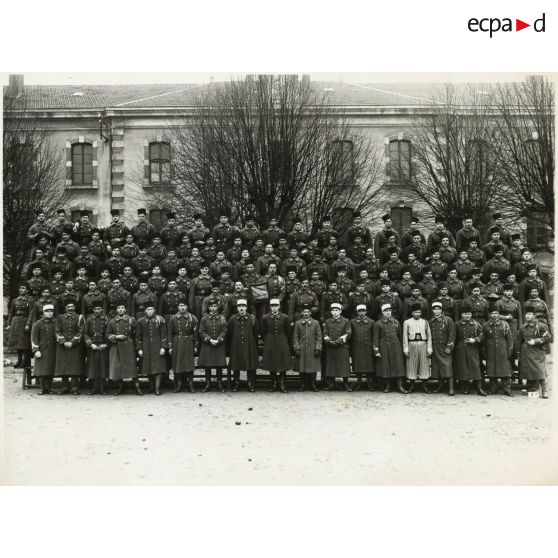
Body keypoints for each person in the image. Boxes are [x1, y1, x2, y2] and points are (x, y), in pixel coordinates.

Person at [107, 304, 143, 396]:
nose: (120, 310)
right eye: (118, 308)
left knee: (132, 367)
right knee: (117, 368)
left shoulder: (132, 320)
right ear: (116, 310)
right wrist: (116, 336)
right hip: (116, 346)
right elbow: (107, 334)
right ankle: (120, 387)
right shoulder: (112, 321)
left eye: (122, 308)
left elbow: (137, 334)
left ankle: (137, 387)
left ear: (125, 309)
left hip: (129, 345)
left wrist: (137, 347)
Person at [453, 304, 487, 395]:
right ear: (461, 315)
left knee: (475, 367)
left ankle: (479, 388)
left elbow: (482, 335)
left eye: (468, 314)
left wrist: (475, 340)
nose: (467, 316)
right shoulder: (457, 324)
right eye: (465, 314)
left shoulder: (477, 324)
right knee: (463, 368)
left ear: (471, 315)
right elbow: (453, 337)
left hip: (473, 348)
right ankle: (466, 387)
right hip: (461, 349)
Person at [519, 304, 551, 398]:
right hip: (526, 351)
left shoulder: (541, 326)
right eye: (526, 314)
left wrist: (535, 341)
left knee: (539, 370)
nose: (527, 316)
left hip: (537, 351)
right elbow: (520, 339)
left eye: (530, 314)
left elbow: (548, 337)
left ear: (534, 315)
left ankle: (544, 390)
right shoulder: (523, 327)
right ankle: (532, 387)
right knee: (528, 369)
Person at [373, 303, 406, 393]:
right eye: (386, 311)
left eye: (389, 311)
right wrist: (376, 350)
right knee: (386, 367)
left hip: (395, 347)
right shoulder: (378, 324)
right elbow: (375, 339)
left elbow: (400, 336)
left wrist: (402, 348)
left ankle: (400, 386)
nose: (388, 313)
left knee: (398, 366)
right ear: (382, 312)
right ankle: (388, 386)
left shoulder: (396, 322)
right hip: (384, 347)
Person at [227, 299, 259, 392]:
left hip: (249, 345)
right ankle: (236, 383)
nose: (241, 308)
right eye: (239, 306)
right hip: (236, 345)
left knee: (251, 364)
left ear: (246, 307)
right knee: (236, 364)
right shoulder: (232, 319)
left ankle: (250, 383)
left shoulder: (252, 318)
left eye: (243, 306)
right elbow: (230, 333)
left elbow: (256, 332)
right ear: (237, 308)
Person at [261, 298, 292, 393]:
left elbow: (288, 332)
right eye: (272, 306)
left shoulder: (285, 317)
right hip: (269, 342)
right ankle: (274, 383)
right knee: (271, 362)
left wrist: (284, 340)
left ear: (279, 306)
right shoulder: (265, 317)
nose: (274, 308)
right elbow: (263, 332)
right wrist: (267, 339)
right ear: (270, 307)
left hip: (282, 341)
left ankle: (282, 384)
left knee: (283, 362)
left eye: (276, 306)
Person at [136, 305, 168, 396]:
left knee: (158, 368)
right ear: (145, 311)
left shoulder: (160, 320)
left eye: (151, 309)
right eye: (148, 309)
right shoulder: (141, 321)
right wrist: (139, 349)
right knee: (148, 367)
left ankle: (157, 388)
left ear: (154, 310)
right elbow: (138, 336)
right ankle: (151, 386)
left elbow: (164, 334)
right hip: (145, 347)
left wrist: (163, 347)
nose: (150, 311)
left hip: (157, 346)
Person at [54, 301, 85, 395]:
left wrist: (72, 342)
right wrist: (64, 342)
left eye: (72, 306)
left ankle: (74, 387)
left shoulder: (80, 318)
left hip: (75, 346)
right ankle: (65, 387)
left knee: (74, 366)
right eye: (68, 306)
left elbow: (81, 331)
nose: (70, 308)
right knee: (63, 366)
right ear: (65, 308)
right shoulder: (60, 317)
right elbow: (57, 331)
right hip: (62, 346)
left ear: (75, 307)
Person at [168, 302, 199, 393]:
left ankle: (190, 384)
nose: (182, 308)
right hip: (177, 342)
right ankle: (178, 384)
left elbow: (195, 333)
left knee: (189, 364)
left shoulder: (192, 318)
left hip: (188, 342)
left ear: (187, 307)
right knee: (178, 364)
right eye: (180, 306)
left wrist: (196, 345)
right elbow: (170, 333)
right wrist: (170, 346)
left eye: (184, 306)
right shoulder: (173, 318)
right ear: (178, 307)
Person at [402, 302, 433, 393]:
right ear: (412, 313)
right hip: (412, 344)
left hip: (423, 344)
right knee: (411, 364)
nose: (417, 314)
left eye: (419, 312)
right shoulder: (407, 322)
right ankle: (412, 385)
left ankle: (424, 385)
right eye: (415, 312)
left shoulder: (425, 322)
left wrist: (429, 348)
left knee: (424, 364)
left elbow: (429, 336)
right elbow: (404, 336)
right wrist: (405, 348)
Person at [198, 301, 228, 392]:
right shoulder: (204, 319)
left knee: (219, 365)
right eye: (212, 306)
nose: (214, 308)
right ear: (209, 308)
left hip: (219, 345)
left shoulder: (222, 318)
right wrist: (210, 340)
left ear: (218, 308)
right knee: (207, 366)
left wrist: (218, 340)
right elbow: (201, 331)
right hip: (208, 345)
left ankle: (219, 384)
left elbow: (224, 331)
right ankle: (208, 384)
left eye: (215, 306)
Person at [483, 308, 514, 396]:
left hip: (502, 350)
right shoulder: (485, 325)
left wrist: (509, 350)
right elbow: (484, 340)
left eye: (496, 313)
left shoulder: (504, 324)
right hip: (490, 350)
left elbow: (509, 338)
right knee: (491, 371)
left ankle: (507, 390)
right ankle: (493, 389)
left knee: (505, 371)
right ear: (489, 315)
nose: (494, 315)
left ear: (499, 314)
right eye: (492, 313)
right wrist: (484, 352)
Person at [322, 302, 352, 391]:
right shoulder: (327, 321)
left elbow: (348, 333)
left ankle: (346, 384)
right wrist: (329, 341)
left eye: (337, 310)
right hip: (331, 346)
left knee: (343, 366)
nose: (335, 312)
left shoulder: (346, 321)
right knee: (331, 365)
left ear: (340, 311)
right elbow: (325, 333)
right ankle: (331, 383)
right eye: (333, 310)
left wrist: (339, 341)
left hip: (342, 347)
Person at [292, 304, 321, 392]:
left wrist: (317, 348)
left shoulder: (316, 323)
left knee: (313, 367)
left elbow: (319, 336)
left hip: (312, 349)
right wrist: (297, 347)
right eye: (304, 312)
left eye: (308, 312)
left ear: (311, 313)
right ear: (301, 313)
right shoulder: (298, 323)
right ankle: (302, 384)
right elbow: (295, 336)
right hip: (302, 348)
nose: (306, 313)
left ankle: (313, 384)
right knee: (302, 367)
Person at [429, 301, 456, 395]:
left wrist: (449, 346)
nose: (436, 311)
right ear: (432, 311)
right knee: (438, 368)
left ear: (441, 310)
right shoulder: (431, 321)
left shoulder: (448, 320)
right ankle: (440, 386)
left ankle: (451, 388)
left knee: (447, 367)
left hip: (445, 348)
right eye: (435, 309)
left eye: (438, 309)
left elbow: (452, 335)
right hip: (435, 348)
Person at [83, 302, 110, 395]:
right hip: (93, 346)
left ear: (102, 310)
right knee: (93, 367)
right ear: (93, 310)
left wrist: (106, 344)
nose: (97, 311)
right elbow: (85, 333)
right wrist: (91, 344)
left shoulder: (106, 319)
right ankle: (94, 388)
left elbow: (110, 332)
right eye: (95, 309)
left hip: (103, 345)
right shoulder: (89, 320)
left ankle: (102, 388)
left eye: (99, 309)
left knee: (102, 367)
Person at [30, 303, 57, 395]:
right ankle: (42, 388)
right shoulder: (38, 323)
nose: (49, 313)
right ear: (43, 312)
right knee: (42, 370)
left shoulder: (55, 323)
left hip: (53, 350)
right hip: (42, 350)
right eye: (47, 311)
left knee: (50, 370)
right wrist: (36, 350)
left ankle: (49, 388)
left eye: (51, 311)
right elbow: (34, 338)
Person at [7, 284, 33, 371]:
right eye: (20, 288)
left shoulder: (30, 300)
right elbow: (11, 312)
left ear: (27, 290)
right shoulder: (15, 300)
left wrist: (28, 324)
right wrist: (9, 323)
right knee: (18, 343)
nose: (22, 290)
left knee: (24, 343)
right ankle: (19, 360)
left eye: (24, 288)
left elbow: (31, 313)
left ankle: (25, 362)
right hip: (16, 322)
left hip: (24, 321)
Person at [350, 304, 375, 391]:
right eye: (359, 311)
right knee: (358, 366)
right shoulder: (352, 322)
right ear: (357, 312)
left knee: (368, 366)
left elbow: (374, 336)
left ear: (366, 312)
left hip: (368, 347)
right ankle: (359, 383)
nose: (361, 313)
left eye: (363, 311)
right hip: (357, 347)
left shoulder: (371, 322)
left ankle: (369, 383)